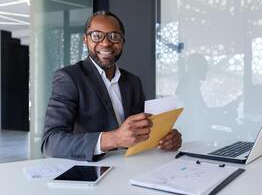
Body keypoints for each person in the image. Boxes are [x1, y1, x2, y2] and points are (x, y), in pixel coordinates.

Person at [41, 11, 182, 161]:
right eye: (96, 35)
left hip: (131, 166)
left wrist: (165, 139)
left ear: (122, 42)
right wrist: (113, 139)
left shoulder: (133, 81)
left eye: (114, 36)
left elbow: (143, 131)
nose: (106, 43)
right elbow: (50, 143)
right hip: (91, 171)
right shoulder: (69, 78)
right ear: (85, 40)